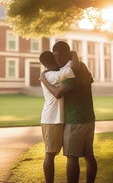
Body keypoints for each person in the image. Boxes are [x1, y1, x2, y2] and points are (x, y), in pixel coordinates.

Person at [40, 41, 97, 183]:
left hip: (75, 119)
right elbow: (89, 78)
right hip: (88, 118)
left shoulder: (73, 70)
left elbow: (59, 93)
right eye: (55, 57)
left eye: (60, 56)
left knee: (72, 157)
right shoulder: (77, 66)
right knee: (88, 155)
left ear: (68, 54)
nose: (57, 60)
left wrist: (43, 79)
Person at [39, 50, 79, 183]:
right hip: (51, 120)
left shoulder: (49, 75)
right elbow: (70, 70)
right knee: (50, 154)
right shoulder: (51, 75)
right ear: (53, 62)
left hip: (57, 119)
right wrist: (74, 55)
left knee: (53, 153)